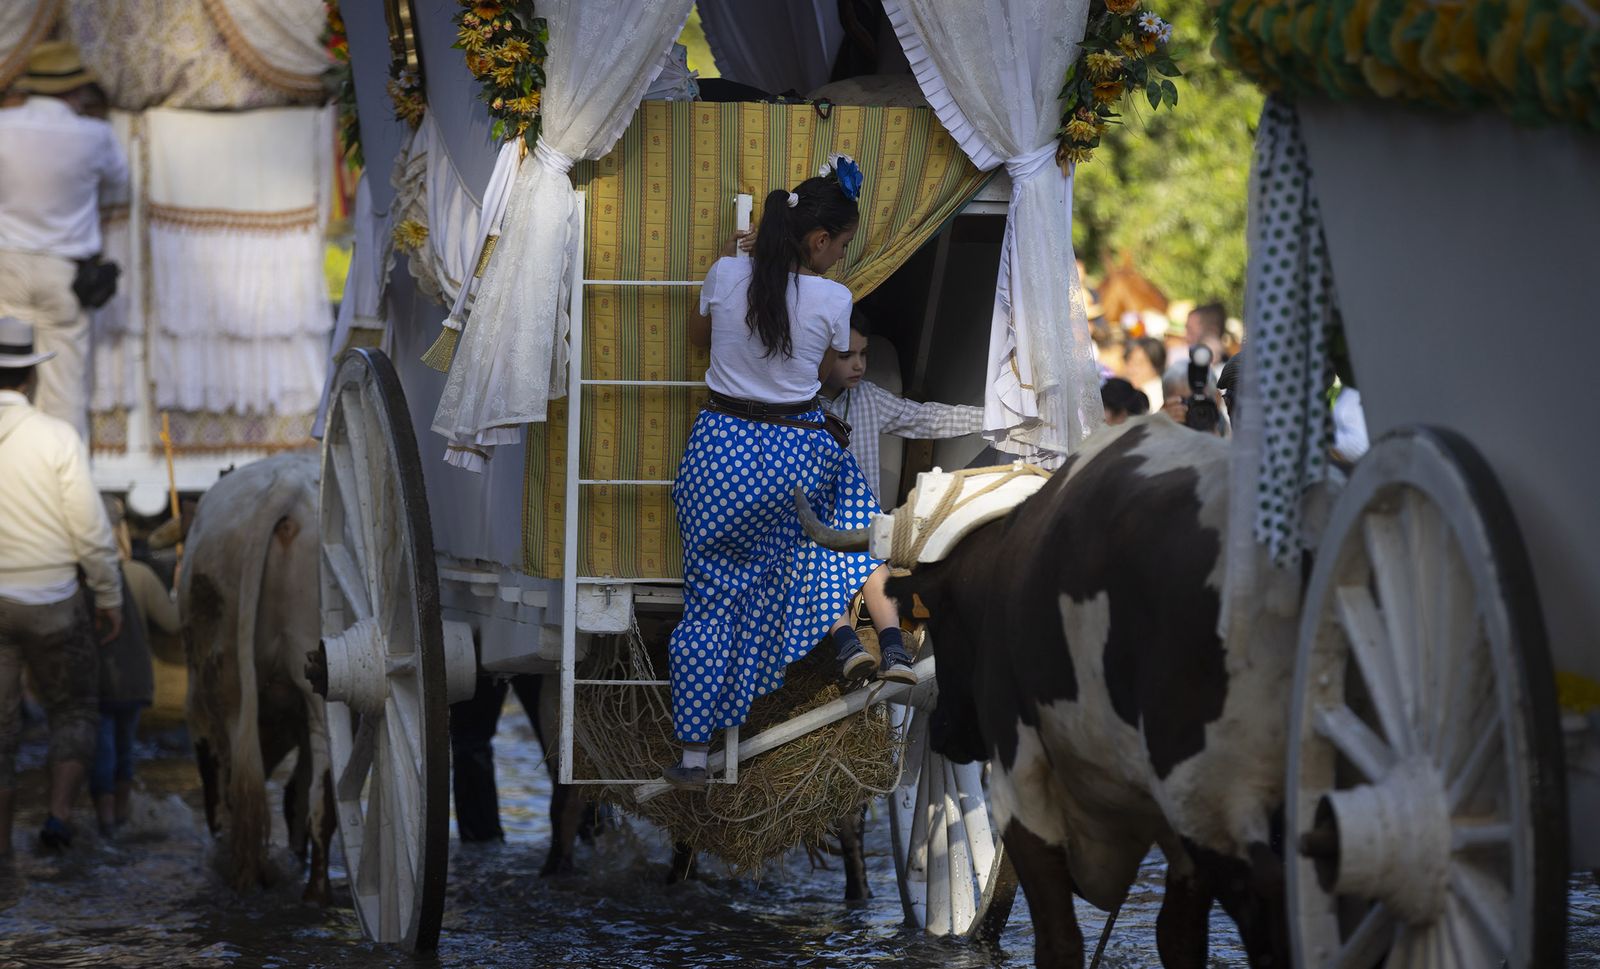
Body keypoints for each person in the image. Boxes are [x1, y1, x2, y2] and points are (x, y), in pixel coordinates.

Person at [664, 159, 876, 790]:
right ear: (818, 241)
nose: (840, 256)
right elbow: (820, 375)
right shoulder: (835, 298)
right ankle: (851, 624)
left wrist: (737, 267)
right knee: (852, 507)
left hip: (719, 453)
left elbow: (697, 338)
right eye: (841, 244)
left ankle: (694, 755)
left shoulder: (727, 273)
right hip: (791, 461)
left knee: (709, 603)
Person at [0, 316, 121, 855]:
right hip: (54, 600)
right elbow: (90, 533)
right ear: (31, 378)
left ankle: (2, 848)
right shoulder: (56, 437)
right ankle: (57, 819)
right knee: (73, 709)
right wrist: (110, 595)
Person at [818, 309, 982, 686]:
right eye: (847, 356)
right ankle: (849, 645)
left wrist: (994, 418)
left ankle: (893, 651)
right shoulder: (797, 403)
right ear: (820, 354)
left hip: (860, 526)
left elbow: (925, 418)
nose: (858, 365)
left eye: (864, 355)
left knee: (874, 566)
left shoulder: (868, 398)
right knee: (815, 568)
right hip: (817, 527)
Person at [0, 41, 130, 438]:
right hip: (63, 271)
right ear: (73, 90)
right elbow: (121, 184)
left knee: (4, 383)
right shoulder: (94, 135)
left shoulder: (3, 126)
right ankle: (60, 483)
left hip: (6, 265)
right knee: (64, 391)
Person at [91, 497, 179, 837]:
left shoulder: (81, 579)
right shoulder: (139, 575)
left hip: (97, 684)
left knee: (103, 752)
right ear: (122, 532)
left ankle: (105, 822)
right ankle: (123, 819)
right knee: (124, 751)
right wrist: (179, 586)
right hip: (135, 682)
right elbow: (172, 622)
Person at [1123, 336, 1167, 415]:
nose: (1132, 369)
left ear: (1156, 366)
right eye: (1129, 361)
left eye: (1139, 363)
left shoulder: (1160, 397)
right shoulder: (1128, 391)